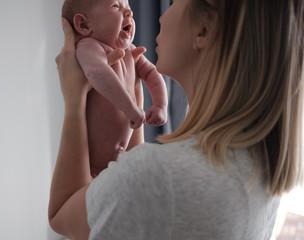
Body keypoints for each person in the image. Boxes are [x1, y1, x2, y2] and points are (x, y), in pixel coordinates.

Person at [49, 0, 304, 239]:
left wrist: (74, 101)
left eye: (175, 1)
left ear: (202, 30)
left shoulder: (156, 178)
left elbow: (61, 215)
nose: (161, 16)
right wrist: (135, 96)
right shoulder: (258, 166)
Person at [61, 0, 168, 177]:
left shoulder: (129, 51)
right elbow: (98, 73)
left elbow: (151, 73)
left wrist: (160, 105)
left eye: (129, 7)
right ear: (84, 24)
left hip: (123, 157)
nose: (129, 13)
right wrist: (130, 109)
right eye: (116, 6)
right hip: (92, 168)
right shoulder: (88, 47)